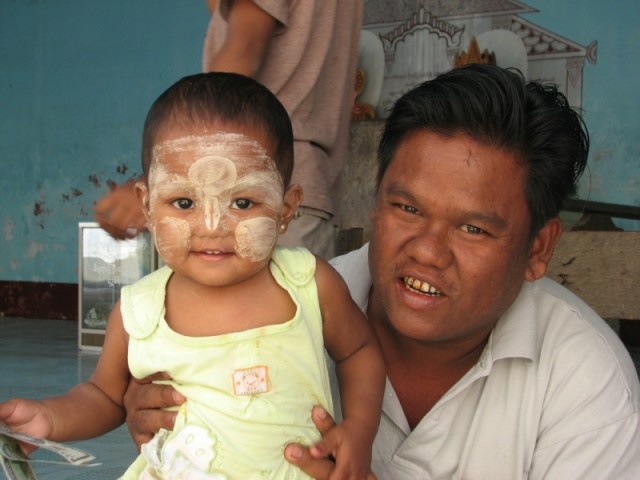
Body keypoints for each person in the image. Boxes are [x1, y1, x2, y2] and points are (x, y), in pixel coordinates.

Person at [124, 64, 640, 479]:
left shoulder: (585, 382)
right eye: (407, 209)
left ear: (538, 248)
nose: (428, 252)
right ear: (374, 203)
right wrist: (165, 418)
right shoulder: (295, 303)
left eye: (473, 229)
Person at [0, 72, 385, 479]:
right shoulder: (139, 312)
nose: (212, 226)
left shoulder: (308, 284)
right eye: (184, 202)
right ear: (147, 205)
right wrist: (49, 417)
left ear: (286, 208)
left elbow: (359, 351)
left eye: (243, 202)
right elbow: (104, 396)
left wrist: (359, 431)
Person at [95, 0, 363, 260]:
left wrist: (165, 182)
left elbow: (243, 52)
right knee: (299, 289)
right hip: (302, 189)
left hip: (248, 186)